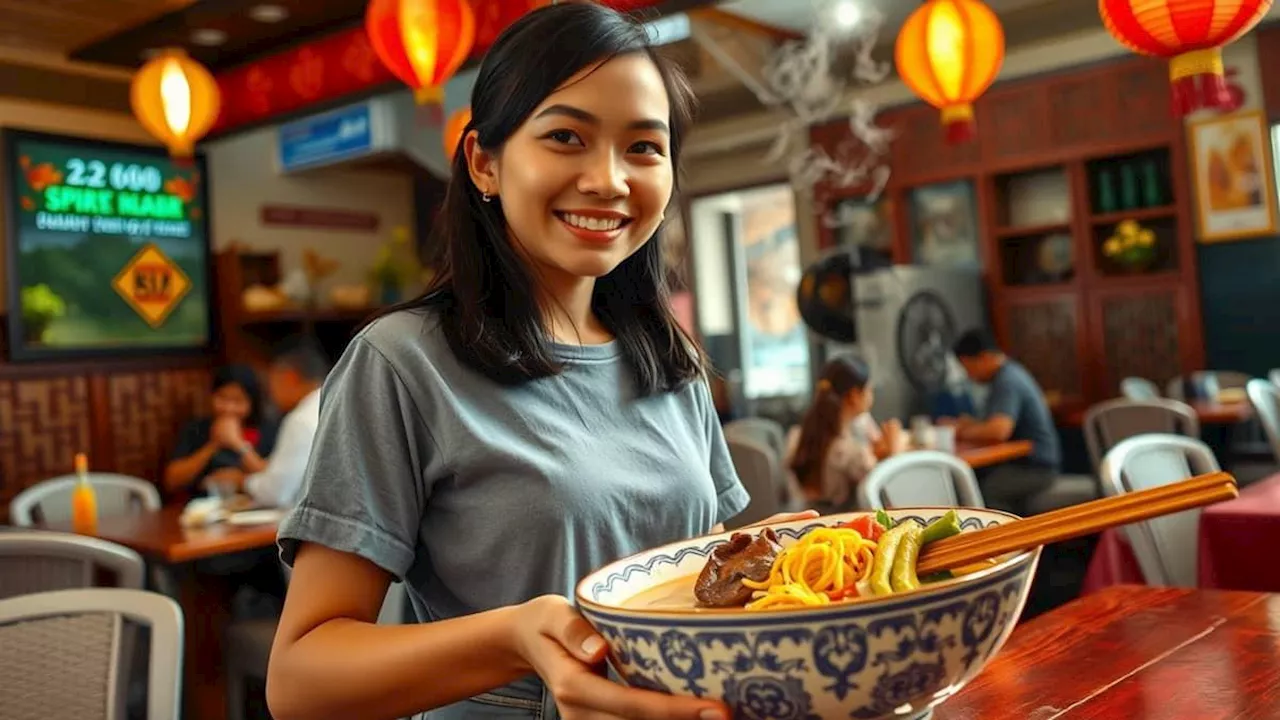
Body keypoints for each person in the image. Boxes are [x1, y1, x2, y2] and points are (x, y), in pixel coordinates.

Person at [264, 6, 813, 720]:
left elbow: (690, 579)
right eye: (565, 137)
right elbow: (301, 681)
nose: (609, 180)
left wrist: (781, 564)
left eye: (644, 148)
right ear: (485, 163)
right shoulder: (403, 364)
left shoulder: (666, 356)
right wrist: (517, 637)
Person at [204, 337, 329, 508]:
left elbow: (277, 492)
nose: (271, 391)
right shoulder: (331, 404)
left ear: (289, 378)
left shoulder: (301, 420)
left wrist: (240, 481)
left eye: (272, 381)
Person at [948, 328, 1061, 514]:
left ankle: (1008, 541)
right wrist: (971, 425)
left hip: (1037, 468)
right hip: (1029, 463)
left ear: (984, 357)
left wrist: (958, 431)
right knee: (976, 480)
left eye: (968, 367)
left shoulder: (1007, 381)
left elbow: (998, 432)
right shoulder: (1010, 373)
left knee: (985, 489)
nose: (969, 375)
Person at [784, 355, 907, 510]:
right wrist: (894, 453)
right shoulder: (851, 454)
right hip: (844, 528)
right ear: (855, 396)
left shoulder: (797, 437)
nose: (871, 395)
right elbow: (887, 489)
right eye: (869, 390)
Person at [164, 365, 277, 497]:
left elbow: (275, 480)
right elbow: (171, 481)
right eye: (222, 398)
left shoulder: (268, 430)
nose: (228, 408)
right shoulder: (196, 428)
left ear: (252, 403)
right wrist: (213, 445)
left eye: (238, 401)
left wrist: (237, 443)